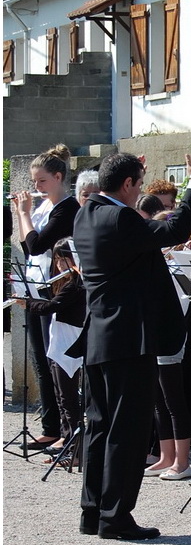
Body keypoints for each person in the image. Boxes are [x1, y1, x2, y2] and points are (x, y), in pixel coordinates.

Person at [71, 148, 191, 540]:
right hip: (129, 338)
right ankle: (115, 517)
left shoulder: (86, 212)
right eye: (137, 185)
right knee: (127, 430)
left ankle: (93, 511)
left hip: (101, 335)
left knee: (100, 426)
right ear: (130, 184)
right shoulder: (118, 216)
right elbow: (173, 231)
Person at [10, 144, 79, 446]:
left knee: (55, 360)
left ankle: (65, 430)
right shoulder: (44, 208)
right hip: (34, 284)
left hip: (56, 287)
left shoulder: (66, 208)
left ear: (58, 177)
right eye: (34, 182)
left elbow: (34, 245)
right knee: (40, 358)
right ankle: (50, 425)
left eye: (42, 181)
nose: (36, 187)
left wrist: (22, 213)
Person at [19, 237, 85, 451]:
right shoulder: (64, 282)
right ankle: (65, 438)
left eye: (64, 260)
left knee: (68, 398)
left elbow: (52, 307)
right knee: (60, 396)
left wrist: (27, 302)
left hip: (70, 343)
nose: (59, 265)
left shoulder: (77, 284)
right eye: (57, 260)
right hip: (59, 341)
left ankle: (73, 443)